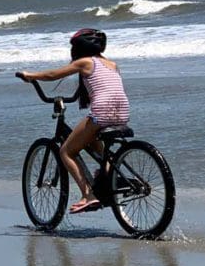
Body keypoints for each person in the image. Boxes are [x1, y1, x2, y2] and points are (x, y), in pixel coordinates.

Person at [17, 29, 129, 214]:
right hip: (122, 112)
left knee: (66, 151)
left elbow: (53, 74)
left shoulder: (85, 62)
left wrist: (31, 76)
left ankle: (89, 195)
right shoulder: (112, 64)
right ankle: (114, 176)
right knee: (98, 147)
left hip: (102, 112)